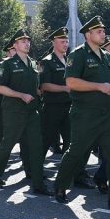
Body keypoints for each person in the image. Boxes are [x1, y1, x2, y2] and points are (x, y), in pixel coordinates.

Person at [53, 17, 110, 209]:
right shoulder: (78, 55)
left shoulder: (106, 55)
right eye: (98, 31)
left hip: (107, 114)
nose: (103, 33)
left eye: (103, 30)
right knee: (77, 152)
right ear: (88, 35)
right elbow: (71, 83)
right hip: (85, 114)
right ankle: (60, 186)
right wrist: (98, 86)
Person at [0, 29, 53, 194]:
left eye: (28, 41)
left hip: (32, 112)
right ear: (15, 45)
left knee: (36, 146)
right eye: (23, 41)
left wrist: (38, 92)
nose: (27, 43)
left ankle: (38, 184)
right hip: (14, 111)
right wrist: (20, 95)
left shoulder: (32, 63)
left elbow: (34, 85)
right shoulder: (7, 64)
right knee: (7, 144)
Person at [39, 27, 72, 156]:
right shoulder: (46, 62)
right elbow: (44, 86)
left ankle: (72, 173)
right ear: (53, 43)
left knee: (71, 141)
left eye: (67, 41)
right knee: (45, 140)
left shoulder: (69, 61)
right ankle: (35, 171)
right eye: (62, 41)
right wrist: (65, 88)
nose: (65, 44)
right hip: (52, 107)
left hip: (68, 105)